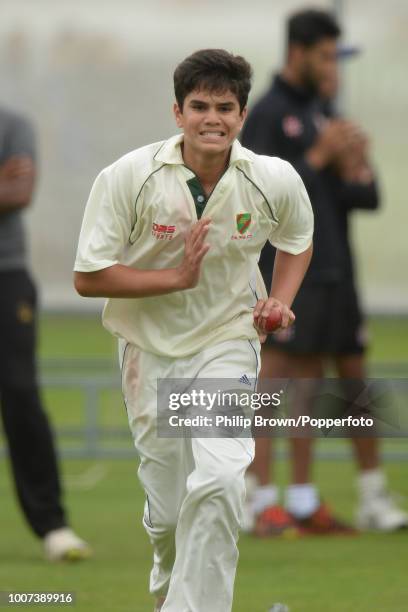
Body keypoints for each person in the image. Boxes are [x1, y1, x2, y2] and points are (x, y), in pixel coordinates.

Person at [74, 49, 314, 612]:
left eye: (225, 107)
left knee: (222, 480)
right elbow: (89, 277)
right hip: (148, 349)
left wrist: (279, 300)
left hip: (226, 343)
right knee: (169, 515)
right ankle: (170, 583)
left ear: (243, 114)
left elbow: (297, 240)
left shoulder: (271, 178)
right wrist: (176, 277)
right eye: (199, 106)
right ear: (177, 112)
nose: (213, 118)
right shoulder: (129, 177)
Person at [241, 8, 408, 536]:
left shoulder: (324, 110)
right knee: (277, 384)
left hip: (337, 273)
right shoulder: (268, 114)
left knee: (339, 384)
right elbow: (265, 199)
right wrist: (318, 156)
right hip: (291, 274)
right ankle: (257, 497)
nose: (333, 64)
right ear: (299, 52)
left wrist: (357, 161)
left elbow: (363, 197)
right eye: (325, 55)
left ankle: (325, 499)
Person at [0, 105, 92, 561]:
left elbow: (18, 192)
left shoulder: (13, 123)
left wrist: (7, 187)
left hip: (6, 275)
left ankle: (53, 526)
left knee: (20, 395)